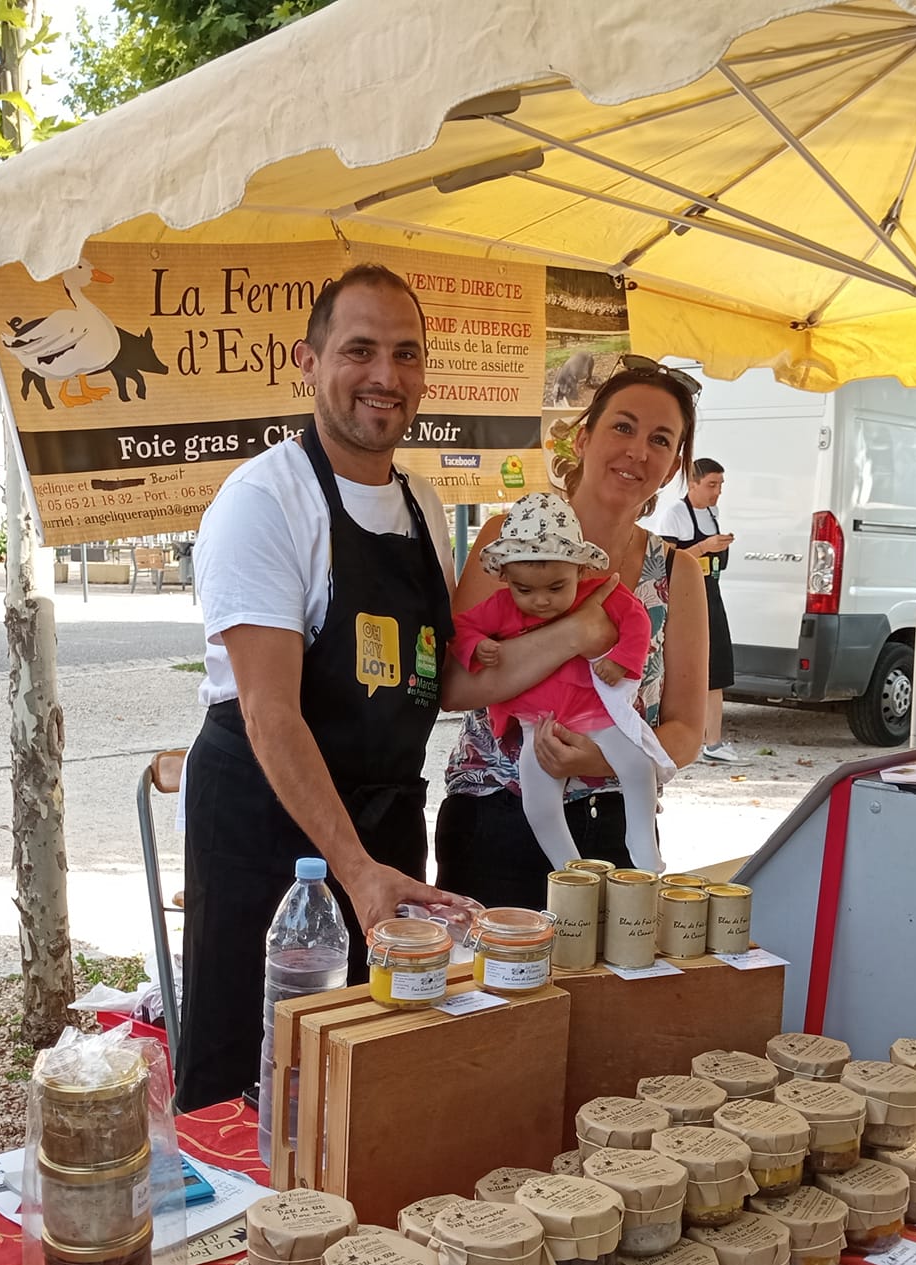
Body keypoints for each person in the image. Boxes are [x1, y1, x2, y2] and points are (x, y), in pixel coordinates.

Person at [177, 264, 461, 1111]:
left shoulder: (425, 505)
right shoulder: (265, 500)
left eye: (405, 354)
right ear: (307, 361)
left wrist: (583, 630)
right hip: (268, 822)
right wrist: (352, 870)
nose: (385, 376)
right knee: (252, 1068)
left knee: (370, 1065)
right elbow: (270, 715)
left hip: (385, 820)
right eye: (360, 350)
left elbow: (433, 681)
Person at [435, 361, 709, 908]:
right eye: (623, 427)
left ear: (674, 464)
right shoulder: (505, 540)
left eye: (660, 439)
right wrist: (578, 633)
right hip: (495, 820)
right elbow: (455, 687)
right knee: (494, 992)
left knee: (608, 994)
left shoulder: (676, 573)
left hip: (615, 829)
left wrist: (602, 759)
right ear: (583, 439)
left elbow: (686, 730)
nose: (638, 451)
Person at [451, 492, 672, 873]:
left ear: (581, 571)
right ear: (506, 578)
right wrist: (477, 645)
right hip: (539, 724)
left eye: (556, 588)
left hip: (595, 713)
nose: (540, 601)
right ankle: (569, 868)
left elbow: (638, 620)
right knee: (537, 800)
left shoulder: (602, 594)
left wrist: (623, 660)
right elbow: (461, 627)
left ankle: (644, 848)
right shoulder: (501, 606)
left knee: (639, 766)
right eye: (525, 590)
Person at [650, 456, 737, 760]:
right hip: (683, 597)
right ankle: (684, 739)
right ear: (693, 483)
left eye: (720, 485)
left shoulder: (713, 514)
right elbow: (666, 562)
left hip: (711, 593)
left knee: (718, 668)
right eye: (712, 484)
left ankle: (713, 741)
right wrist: (704, 547)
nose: (717, 492)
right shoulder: (675, 515)